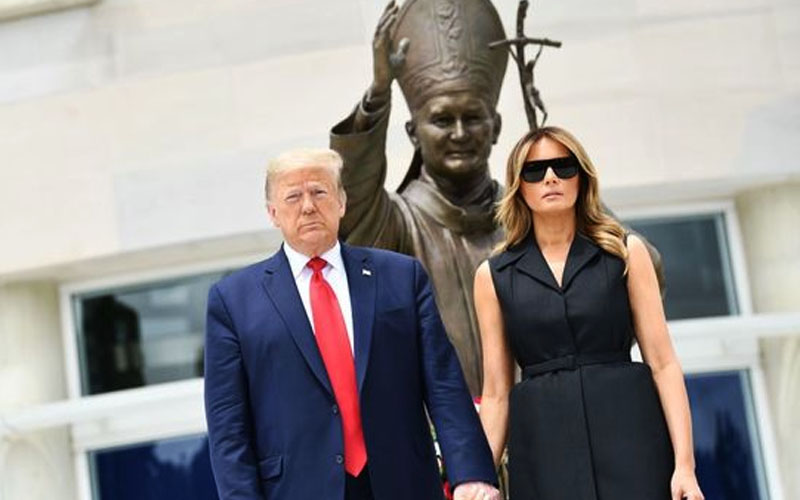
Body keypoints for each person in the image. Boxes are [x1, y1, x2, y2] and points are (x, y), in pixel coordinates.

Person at [204, 148, 500, 500]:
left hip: (403, 481)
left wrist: (471, 474)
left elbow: (444, 383)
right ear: (272, 213)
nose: (308, 206)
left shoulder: (400, 276)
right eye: (293, 196)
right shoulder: (233, 301)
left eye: (319, 192)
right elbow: (228, 426)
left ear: (342, 202)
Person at [474, 127, 705, 500]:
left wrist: (685, 466)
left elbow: (663, 364)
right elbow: (497, 393)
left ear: (581, 178)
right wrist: (480, 479)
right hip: (543, 448)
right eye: (535, 170)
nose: (551, 177)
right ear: (519, 186)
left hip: (632, 436)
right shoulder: (494, 275)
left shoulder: (626, 253)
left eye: (563, 166)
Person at [330, 0, 509, 396]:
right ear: (414, 133)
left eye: (473, 118)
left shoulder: (528, 216)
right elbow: (352, 194)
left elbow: (633, 263)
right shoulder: (396, 224)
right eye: (442, 120)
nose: (459, 133)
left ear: (495, 126)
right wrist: (379, 94)